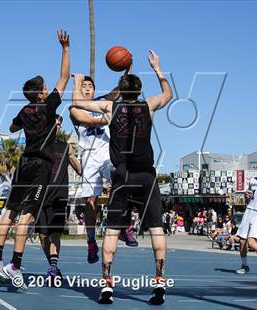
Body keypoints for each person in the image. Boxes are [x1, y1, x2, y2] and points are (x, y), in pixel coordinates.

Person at [72, 49, 173, 305]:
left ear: (120, 88)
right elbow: (169, 95)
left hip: (122, 175)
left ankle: (107, 287)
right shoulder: (148, 106)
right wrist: (158, 69)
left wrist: (76, 82)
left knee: (112, 232)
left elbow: (78, 103)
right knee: (156, 229)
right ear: (139, 91)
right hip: (146, 176)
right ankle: (159, 283)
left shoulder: (110, 107)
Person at [0, 29, 70, 287]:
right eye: (45, 86)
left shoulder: (23, 111)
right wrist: (65, 49)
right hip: (41, 165)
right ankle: (15, 265)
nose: (47, 87)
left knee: (9, 211)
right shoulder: (49, 106)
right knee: (26, 217)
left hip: (23, 163)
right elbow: (64, 77)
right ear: (42, 94)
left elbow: (12, 128)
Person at [70, 75, 138, 264]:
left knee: (121, 183)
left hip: (108, 152)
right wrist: (109, 117)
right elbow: (91, 121)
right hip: (89, 156)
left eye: (90, 85)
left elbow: (118, 91)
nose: (87, 88)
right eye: (83, 86)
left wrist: (127, 70)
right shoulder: (74, 109)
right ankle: (91, 242)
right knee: (90, 201)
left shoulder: (103, 102)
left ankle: (123, 227)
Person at [36, 115, 82, 281]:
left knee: (54, 234)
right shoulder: (39, 146)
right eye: (54, 124)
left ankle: (53, 268)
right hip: (41, 197)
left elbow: (79, 169)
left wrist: (79, 161)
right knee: (42, 237)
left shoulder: (65, 147)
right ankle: (53, 265)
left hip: (59, 197)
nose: (56, 127)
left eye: (58, 125)